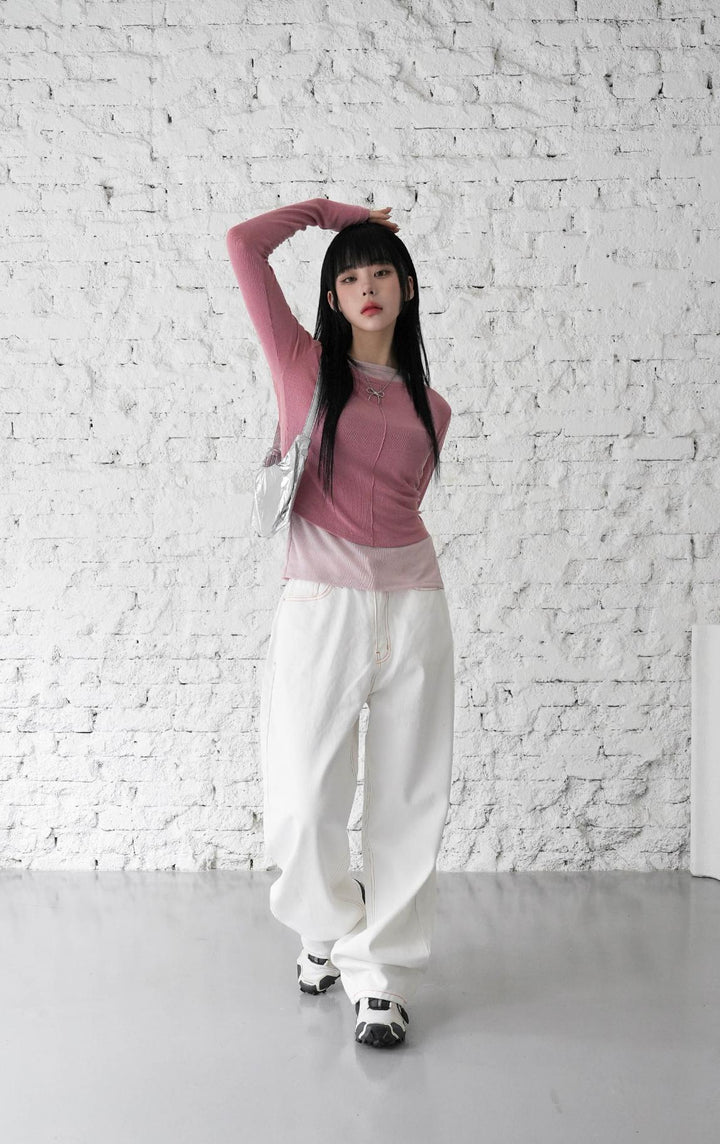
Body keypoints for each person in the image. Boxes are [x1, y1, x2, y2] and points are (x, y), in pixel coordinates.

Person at [225, 197, 455, 1049]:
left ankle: (380, 978)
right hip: (320, 607)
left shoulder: (434, 407)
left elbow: (399, 507)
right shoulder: (302, 366)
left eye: (381, 272)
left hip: (416, 604)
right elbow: (244, 245)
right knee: (302, 798)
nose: (367, 287)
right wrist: (333, 215)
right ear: (331, 297)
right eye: (350, 277)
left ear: (405, 289)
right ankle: (325, 925)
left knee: (407, 796)